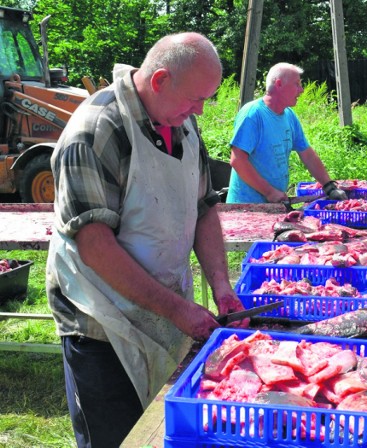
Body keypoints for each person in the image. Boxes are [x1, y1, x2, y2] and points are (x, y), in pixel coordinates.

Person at [46, 33, 248, 447]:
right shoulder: (96, 130)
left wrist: (221, 286)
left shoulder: (183, 121)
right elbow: (94, 246)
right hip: (101, 320)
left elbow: (205, 209)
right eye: (196, 99)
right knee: (116, 438)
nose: (201, 110)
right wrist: (177, 309)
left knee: (160, 432)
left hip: (162, 309)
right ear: (159, 81)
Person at [226, 62, 347, 203]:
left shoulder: (289, 115)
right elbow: (237, 160)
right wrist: (269, 192)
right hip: (244, 209)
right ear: (279, 84)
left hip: (274, 206)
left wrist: (329, 187)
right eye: (297, 84)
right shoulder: (253, 114)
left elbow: (307, 154)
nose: (301, 90)